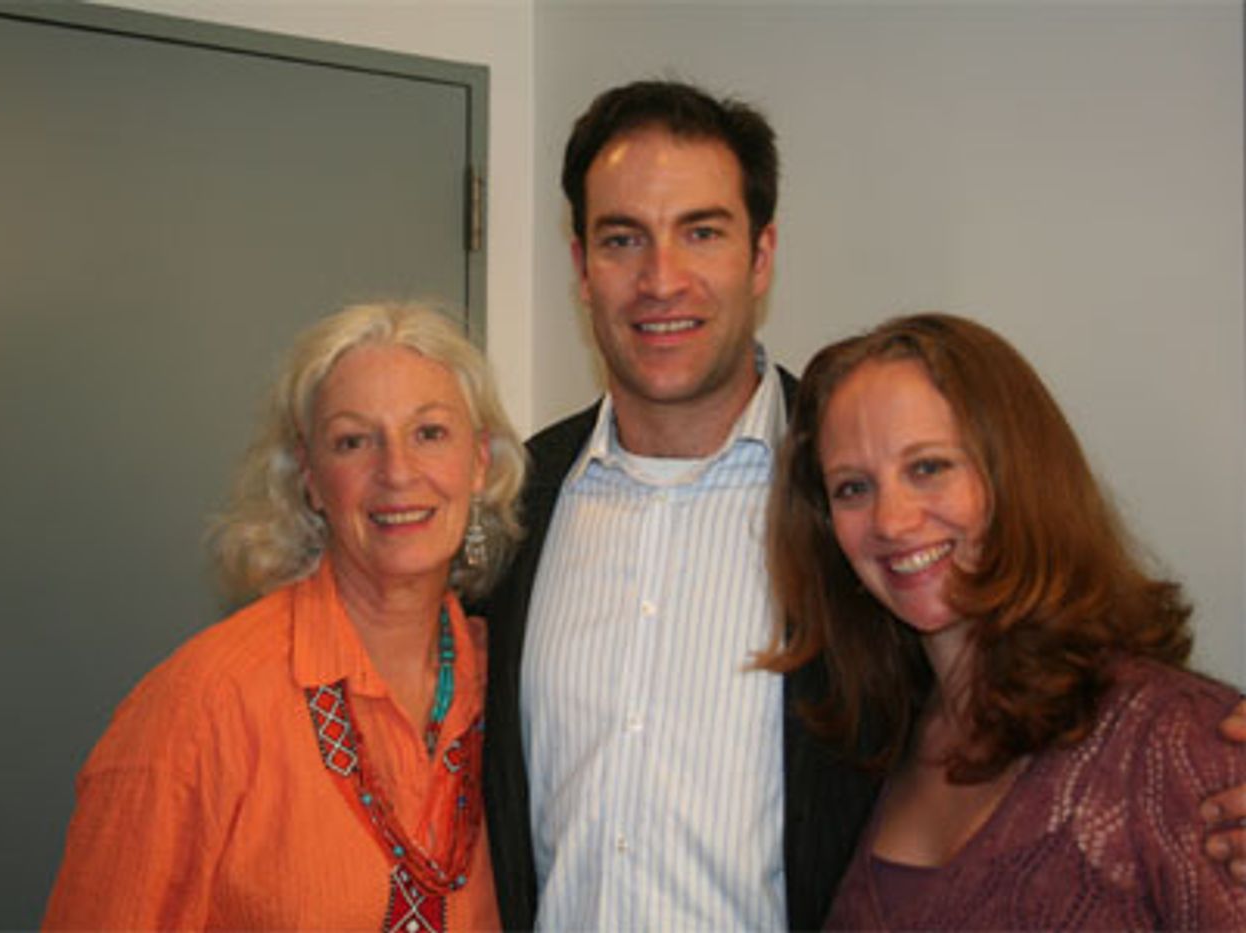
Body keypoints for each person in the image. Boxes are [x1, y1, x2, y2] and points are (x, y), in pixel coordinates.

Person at [479, 78, 1246, 932]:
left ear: (762, 256)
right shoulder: (511, 500)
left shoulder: (842, 495)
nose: (662, 279)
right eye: (623, 239)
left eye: (702, 231)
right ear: (582, 267)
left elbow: (1060, 660)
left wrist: (1203, 752)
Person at [45, 302, 525, 930]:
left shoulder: (508, 689)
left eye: (429, 433)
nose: (398, 472)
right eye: (353, 442)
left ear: (480, 460)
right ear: (310, 478)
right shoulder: (203, 707)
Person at [761, 311, 1246, 928]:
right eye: (853, 488)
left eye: (928, 467)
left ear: (1016, 474)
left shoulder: (1175, 741)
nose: (891, 521)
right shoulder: (872, 748)